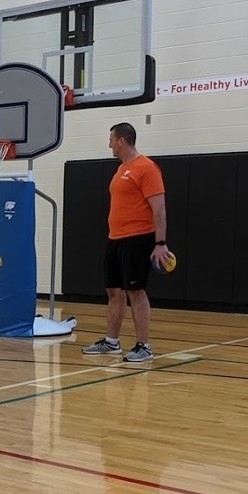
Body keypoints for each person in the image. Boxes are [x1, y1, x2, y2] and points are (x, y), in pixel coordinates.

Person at [82, 122, 172, 362]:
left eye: (111, 139)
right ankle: (111, 342)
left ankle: (144, 346)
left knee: (136, 291)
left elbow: (159, 208)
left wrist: (160, 242)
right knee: (114, 291)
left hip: (138, 238)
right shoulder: (121, 169)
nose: (109, 144)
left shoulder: (146, 168)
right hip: (116, 238)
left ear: (122, 140)